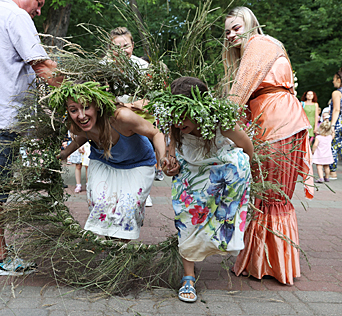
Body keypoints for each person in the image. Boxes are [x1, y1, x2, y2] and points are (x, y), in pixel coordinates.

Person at [0, 0, 60, 276]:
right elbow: (42, 66)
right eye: (39, 2)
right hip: (1, 117)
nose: (39, 10)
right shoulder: (15, 16)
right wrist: (80, 87)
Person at [223, 6, 313, 285]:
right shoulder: (265, 47)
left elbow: (236, 97)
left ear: (250, 24)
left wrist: (218, 122)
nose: (230, 35)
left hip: (276, 122)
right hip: (280, 120)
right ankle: (266, 260)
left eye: (236, 28)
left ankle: (268, 262)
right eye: (226, 32)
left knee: (270, 195)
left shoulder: (258, 45)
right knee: (268, 193)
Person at [154, 77, 253, 303]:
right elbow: (170, 156)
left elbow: (247, 148)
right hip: (190, 173)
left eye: (184, 115)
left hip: (220, 173)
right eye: (174, 115)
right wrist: (169, 166)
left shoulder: (222, 123)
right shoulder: (175, 126)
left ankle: (219, 235)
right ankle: (188, 276)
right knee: (186, 219)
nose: (178, 122)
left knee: (238, 161)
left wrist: (243, 177)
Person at [55, 80, 167, 241]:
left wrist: (162, 158)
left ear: (98, 106)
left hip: (138, 163)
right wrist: (65, 153)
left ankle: (122, 249)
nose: (81, 115)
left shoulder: (121, 117)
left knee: (127, 209)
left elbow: (156, 133)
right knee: (101, 206)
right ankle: (113, 247)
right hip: (104, 163)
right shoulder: (76, 124)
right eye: (74, 110)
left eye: (86, 107)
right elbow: (82, 136)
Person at [109, 26, 164, 206]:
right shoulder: (104, 67)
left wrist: (137, 104)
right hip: (114, 119)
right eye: (117, 47)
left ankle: (142, 189)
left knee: (141, 152)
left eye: (125, 46)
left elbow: (152, 96)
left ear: (132, 45)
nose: (122, 51)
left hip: (140, 117)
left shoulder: (143, 67)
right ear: (110, 48)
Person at [328, 68, 342, 180]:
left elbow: (336, 110)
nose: (333, 82)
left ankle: (332, 172)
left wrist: (332, 125)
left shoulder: (337, 93)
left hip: (338, 123)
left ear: (339, 79)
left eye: (334, 79)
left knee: (333, 146)